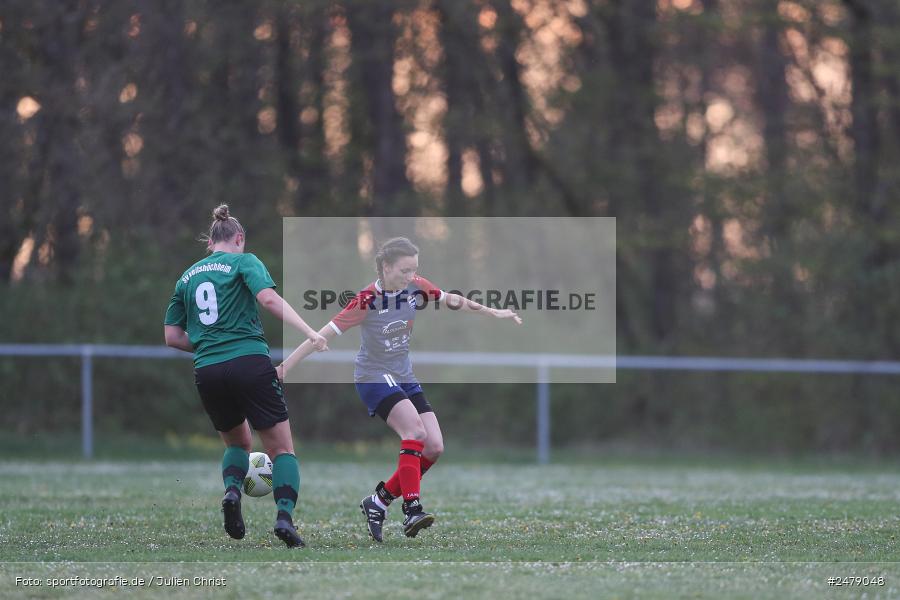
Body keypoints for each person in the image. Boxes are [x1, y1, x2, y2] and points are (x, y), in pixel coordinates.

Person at [276, 236, 521, 542]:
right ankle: (412, 508)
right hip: (373, 376)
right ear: (385, 267)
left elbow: (452, 299)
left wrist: (493, 312)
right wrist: (285, 368)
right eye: (404, 270)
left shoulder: (415, 286)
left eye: (413, 270)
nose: (410, 276)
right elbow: (321, 335)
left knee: (434, 447)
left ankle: (378, 501)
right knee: (415, 433)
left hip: (403, 376)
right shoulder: (366, 300)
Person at [163, 204, 328, 548]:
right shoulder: (244, 261)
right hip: (250, 362)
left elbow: (172, 336)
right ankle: (284, 517)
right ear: (239, 238)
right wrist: (309, 332)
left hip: (208, 369)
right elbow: (268, 299)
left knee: (239, 443)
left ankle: (232, 492)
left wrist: (212, 345)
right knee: (282, 449)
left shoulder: (187, 277)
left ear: (210, 242)